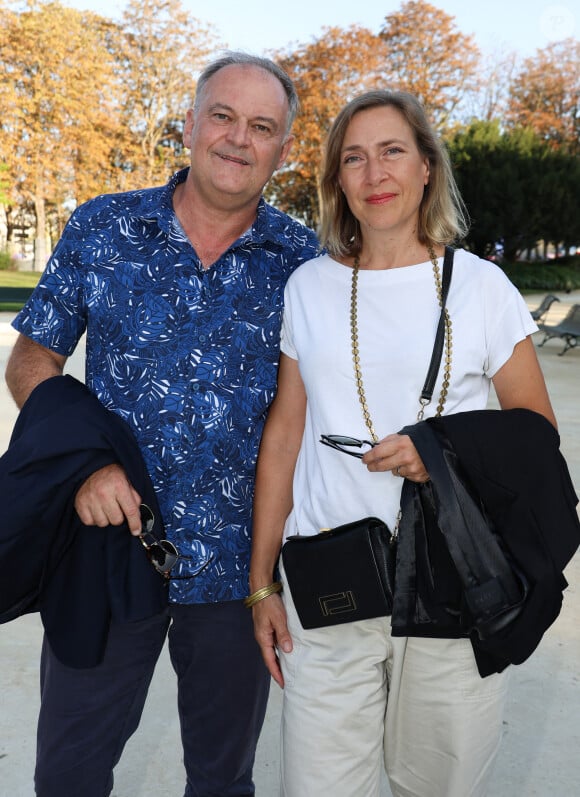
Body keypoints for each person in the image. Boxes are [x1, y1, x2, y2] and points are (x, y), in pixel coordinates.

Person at [4, 51, 319, 797]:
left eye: (262, 126)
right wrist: (86, 463)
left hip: (239, 577)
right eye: (223, 115)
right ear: (189, 123)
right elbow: (30, 362)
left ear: (282, 149)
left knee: (223, 779)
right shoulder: (103, 228)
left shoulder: (304, 263)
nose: (238, 138)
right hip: (108, 554)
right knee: (69, 775)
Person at [247, 90, 558, 797]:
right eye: (352, 158)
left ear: (426, 167)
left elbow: (537, 432)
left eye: (392, 150)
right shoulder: (309, 288)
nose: (373, 172)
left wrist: (440, 448)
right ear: (337, 182)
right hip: (329, 582)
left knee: (438, 787)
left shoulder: (482, 287)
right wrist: (262, 581)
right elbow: (285, 435)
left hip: (452, 580)